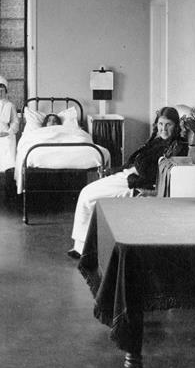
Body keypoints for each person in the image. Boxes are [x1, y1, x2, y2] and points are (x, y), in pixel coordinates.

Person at [68, 106, 186, 258]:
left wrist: (143, 180)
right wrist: (118, 169)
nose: (163, 128)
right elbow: (137, 161)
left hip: (135, 182)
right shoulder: (158, 141)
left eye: (168, 124)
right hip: (128, 175)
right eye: (161, 124)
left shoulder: (176, 147)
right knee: (86, 193)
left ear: (176, 126)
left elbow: (150, 172)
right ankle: (82, 246)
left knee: (88, 195)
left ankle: (84, 248)